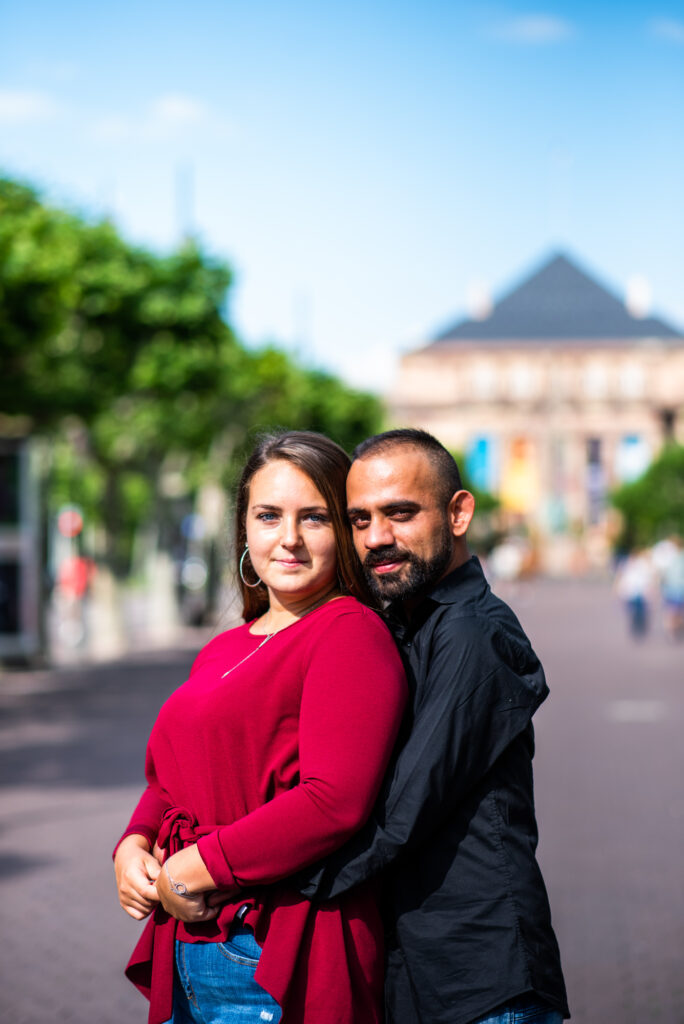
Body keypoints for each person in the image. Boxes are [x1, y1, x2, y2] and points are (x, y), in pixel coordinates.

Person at [114, 431, 407, 1024]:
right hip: (187, 942)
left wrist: (198, 866)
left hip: (274, 947)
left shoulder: (348, 633)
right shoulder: (223, 647)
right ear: (244, 529)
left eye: (314, 518)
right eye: (269, 516)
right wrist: (133, 844)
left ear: (344, 533)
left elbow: (334, 801)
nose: (289, 539)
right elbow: (170, 776)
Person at [298, 428, 569, 1024]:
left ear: (458, 513)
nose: (377, 538)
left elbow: (400, 813)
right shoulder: (404, 625)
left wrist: (261, 887)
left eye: (400, 513)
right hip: (416, 976)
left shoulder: (473, 633)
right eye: (360, 520)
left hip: (482, 983)